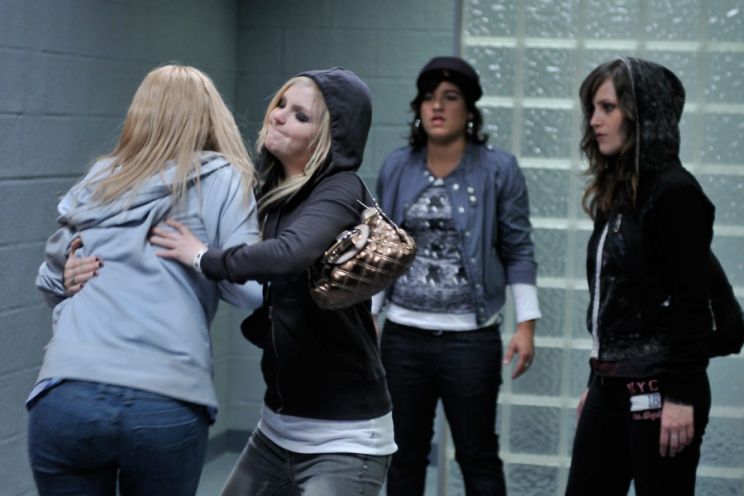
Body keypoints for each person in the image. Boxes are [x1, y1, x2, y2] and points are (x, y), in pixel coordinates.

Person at [149, 67, 396, 496]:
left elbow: (288, 255)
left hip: (344, 440)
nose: (278, 115)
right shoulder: (271, 192)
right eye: (281, 104)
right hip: (277, 431)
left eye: (300, 115)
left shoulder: (340, 189)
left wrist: (203, 257)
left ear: (329, 138)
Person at [30, 64, 262, 496]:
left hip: (66, 394)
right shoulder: (224, 178)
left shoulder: (102, 177)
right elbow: (250, 291)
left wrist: (67, 273)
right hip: (165, 399)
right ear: (211, 116)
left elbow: (50, 281)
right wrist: (203, 257)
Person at [372, 56, 541, 496]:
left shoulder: (498, 169)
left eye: (450, 97)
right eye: (429, 98)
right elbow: (382, 248)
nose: (437, 106)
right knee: (403, 456)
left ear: (469, 110)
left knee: (478, 456)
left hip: (471, 338)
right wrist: (369, 316)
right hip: (403, 336)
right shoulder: (396, 166)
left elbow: (518, 248)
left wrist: (526, 325)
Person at [565, 58, 715, 495]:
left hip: (662, 389)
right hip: (610, 384)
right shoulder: (618, 192)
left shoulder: (675, 192)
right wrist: (599, 379)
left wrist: (681, 396)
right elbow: (615, 301)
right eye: (593, 109)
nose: (594, 121)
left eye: (608, 108)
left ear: (641, 114)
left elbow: (691, 302)